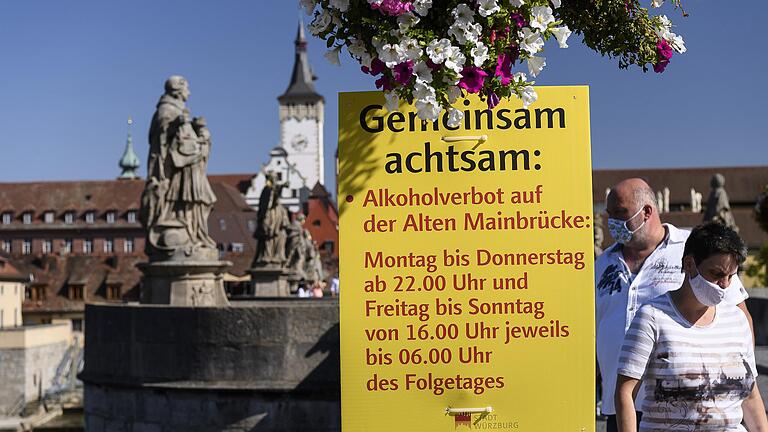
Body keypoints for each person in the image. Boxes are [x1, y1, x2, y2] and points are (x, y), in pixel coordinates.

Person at [595, 178, 752, 432]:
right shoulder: (602, 263)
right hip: (620, 400)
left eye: (620, 213)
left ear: (646, 212)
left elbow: (739, 317)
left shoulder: (694, 249)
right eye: (609, 214)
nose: (612, 221)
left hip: (687, 403)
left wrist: (736, 387)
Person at [615, 223, 767, 431]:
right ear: (689, 264)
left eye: (731, 276)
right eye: (717, 274)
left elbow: (750, 396)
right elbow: (625, 392)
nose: (724, 284)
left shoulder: (737, 320)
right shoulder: (651, 317)